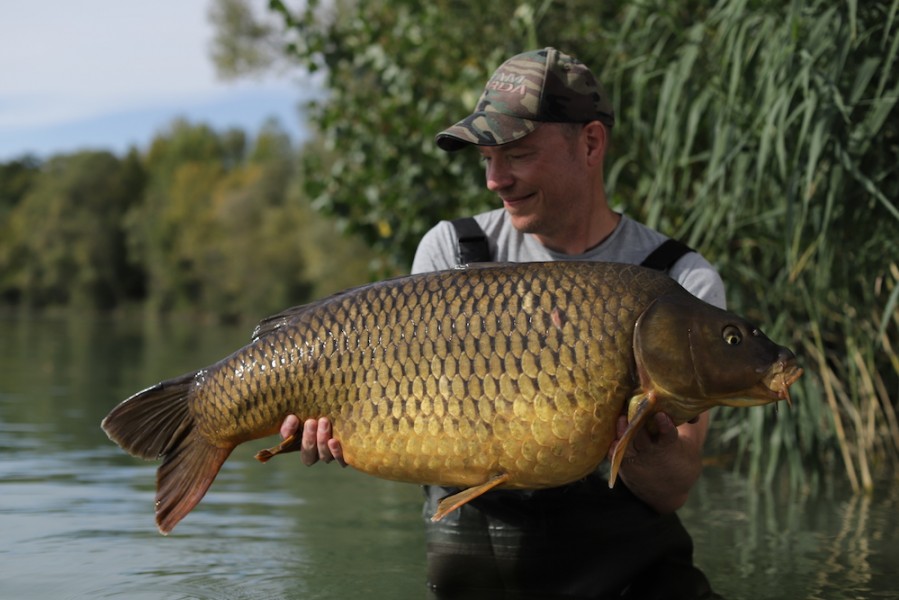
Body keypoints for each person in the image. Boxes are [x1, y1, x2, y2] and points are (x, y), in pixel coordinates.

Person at [279, 48, 725, 599]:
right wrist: (344, 431)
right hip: (480, 574)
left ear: (590, 143)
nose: (494, 179)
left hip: (631, 580)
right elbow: (416, 434)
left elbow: (673, 490)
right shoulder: (454, 250)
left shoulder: (678, 281)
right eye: (485, 158)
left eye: (516, 154)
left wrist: (637, 433)